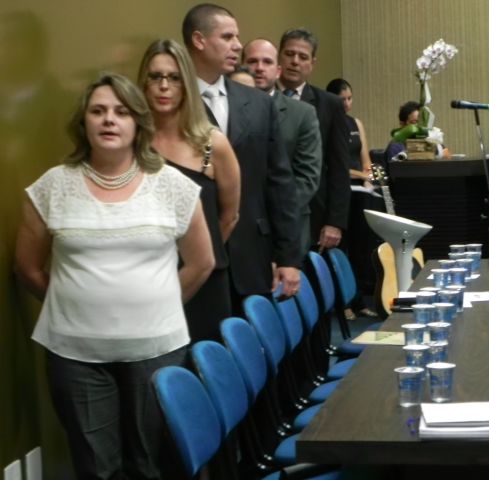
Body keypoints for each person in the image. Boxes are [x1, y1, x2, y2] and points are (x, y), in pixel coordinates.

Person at [13, 73, 214, 479]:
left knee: (150, 466)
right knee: (96, 468)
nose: (109, 120)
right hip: (76, 357)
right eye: (98, 111)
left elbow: (201, 262)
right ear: (83, 122)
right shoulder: (53, 186)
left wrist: (157, 305)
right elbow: (28, 267)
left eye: (121, 112)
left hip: (157, 350)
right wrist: (72, 305)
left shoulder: (172, 186)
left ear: (138, 122)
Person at [182, 4, 301, 311]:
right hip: (192, 255)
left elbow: (280, 182)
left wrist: (288, 257)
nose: (237, 45)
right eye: (227, 37)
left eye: (237, 37)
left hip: (252, 252)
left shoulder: (259, 103)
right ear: (199, 40)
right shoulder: (174, 102)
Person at [138, 39, 240, 342]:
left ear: (187, 84)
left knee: (204, 362)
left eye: (174, 78)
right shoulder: (133, 143)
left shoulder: (212, 143)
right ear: (143, 83)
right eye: (155, 77)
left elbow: (229, 216)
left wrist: (196, 256)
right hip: (147, 276)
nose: (164, 86)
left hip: (205, 280)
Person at [242, 38, 321, 256]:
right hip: (237, 229)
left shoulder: (302, 114)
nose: (259, 68)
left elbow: (307, 178)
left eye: (267, 62)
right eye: (252, 61)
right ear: (242, 66)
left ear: (278, 71)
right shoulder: (225, 109)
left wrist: (269, 212)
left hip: (286, 228)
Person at [277, 28, 351, 253]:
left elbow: (339, 167)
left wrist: (335, 222)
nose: (295, 62)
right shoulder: (260, 97)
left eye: (303, 57)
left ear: (312, 63)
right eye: (289, 54)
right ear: (279, 56)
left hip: (314, 215)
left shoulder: (329, 104)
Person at [326, 77, 380, 318]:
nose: (347, 104)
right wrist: (360, 175)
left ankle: (359, 301)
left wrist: (370, 177)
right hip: (340, 189)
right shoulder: (327, 122)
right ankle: (343, 303)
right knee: (342, 248)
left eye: (349, 98)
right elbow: (334, 165)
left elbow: (366, 160)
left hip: (361, 191)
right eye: (342, 99)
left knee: (361, 247)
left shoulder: (355, 123)